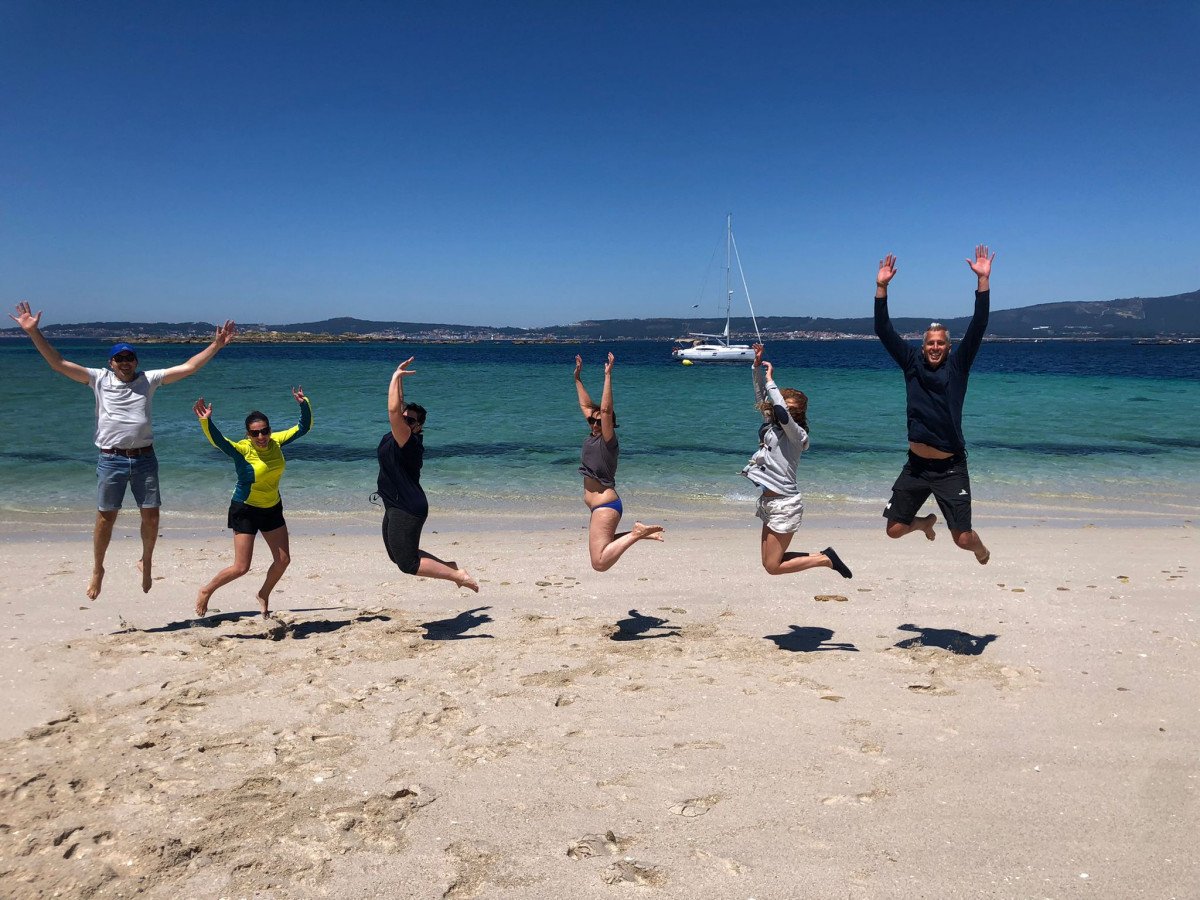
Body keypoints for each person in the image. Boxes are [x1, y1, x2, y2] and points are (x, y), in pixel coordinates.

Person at [8, 301, 236, 599]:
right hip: (110, 459)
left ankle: (147, 559)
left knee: (151, 516)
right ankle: (98, 568)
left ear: (136, 361)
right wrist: (33, 332)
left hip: (144, 458)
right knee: (106, 517)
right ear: (111, 363)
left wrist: (216, 345)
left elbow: (189, 367)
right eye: (119, 358)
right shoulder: (98, 379)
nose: (125, 362)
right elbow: (58, 363)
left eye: (129, 357)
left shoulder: (148, 380)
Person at [873, 245, 993, 564]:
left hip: (950, 466)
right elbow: (883, 331)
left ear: (949, 347)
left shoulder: (958, 366)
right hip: (916, 464)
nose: (935, 347)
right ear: (922, 346)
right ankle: (924, 523)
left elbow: (979, 325)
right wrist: (881, 287)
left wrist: (983, 282)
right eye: (930, 343)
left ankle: (982, 551)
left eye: (940, 343)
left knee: (963, 539)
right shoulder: (911, 363)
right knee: (895, 529)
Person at [192, 389, 312, 617]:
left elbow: (303, 427)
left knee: (283, 560)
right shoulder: (242, 450)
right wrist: (206, 422)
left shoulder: (276, 442)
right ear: (248, 434)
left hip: (272, 508)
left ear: (270, 430)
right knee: (241, 567)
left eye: (264, 431)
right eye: (255, 433)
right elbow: (219, 442)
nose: (261, 437)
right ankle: (207, 590)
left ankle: (263, 594)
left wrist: (303, 404)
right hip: (245, 509)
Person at [742, 343, 852, 580]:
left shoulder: (797, 435)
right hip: (769, 503)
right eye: (784, 406)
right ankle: (825, 556)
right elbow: (763, 398)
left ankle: (825, 559)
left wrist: (771, 380)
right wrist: (757, 366)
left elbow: (781, 412)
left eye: (791, 409)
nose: (785, 412)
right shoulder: (773, 425)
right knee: (769, 563)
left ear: (798, 414)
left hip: (784, 505)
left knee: (773, 567)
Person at [376, 358, 479, 592]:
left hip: (408, 507)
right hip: (394, 504)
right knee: (397, 556)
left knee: (408, 563)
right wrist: (399, 376)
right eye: (405, 417)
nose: (405, 420)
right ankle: (449, 567)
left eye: (411, 420)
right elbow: (399, 408)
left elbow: (393, 410)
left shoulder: (408, 441)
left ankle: (458, 575)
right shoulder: (397, 434)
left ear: (418, 427)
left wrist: (393, 378)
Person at [573, 352, 663, 571]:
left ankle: (636, 533)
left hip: (605, 505)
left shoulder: (608, 441)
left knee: (599, 563)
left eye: (599, 422)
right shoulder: (593, 435)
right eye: (591, 422)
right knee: (602, 547)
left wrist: (608, 375)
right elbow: (587, 407)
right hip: (599, 507)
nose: (594, 424)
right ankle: (641, 533)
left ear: (609, 424)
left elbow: (604, 411)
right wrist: (577, 378)